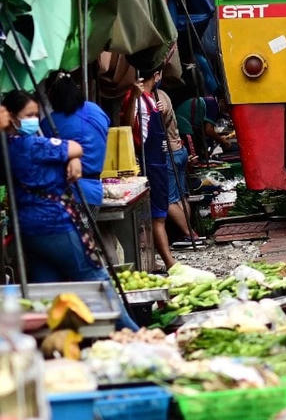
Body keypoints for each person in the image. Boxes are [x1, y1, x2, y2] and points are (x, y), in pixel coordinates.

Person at [3, 91, 138, 331]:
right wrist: (73, 158)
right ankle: (132, 332)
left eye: (36, 114)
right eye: (28, 115)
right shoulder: (31, 145)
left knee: (48, 291)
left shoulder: (8, 148)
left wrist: (71, 159)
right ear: (12, 118)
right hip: (54, 223)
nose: (34, 120)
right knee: (96, 278)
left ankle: (60, 343)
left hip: (26, 227)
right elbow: (74, 147)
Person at [122, 69, 175, 271]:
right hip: (148, 162)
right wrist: (135, 97)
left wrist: (159, 112)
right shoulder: (135, 97)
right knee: (156, 216)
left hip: (158, 160)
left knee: (158, 214)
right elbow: (127, 127)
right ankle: (169, 261)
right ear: (159, 74)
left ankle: (156, 260)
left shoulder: (150, 99)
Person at [42, 71, 108, 212]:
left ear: (52, 95)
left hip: (68, 193)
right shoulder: (95, 110)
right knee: (87, 234)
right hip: (95, 191)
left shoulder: (49, 123)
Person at [155, 87, 202, 249]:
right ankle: (188, 234)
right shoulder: (163, 93)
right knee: (181, 196)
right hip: (179, 150)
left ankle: (190, 234)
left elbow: (159, 119)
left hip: (169, 153)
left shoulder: (155, 98)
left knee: (169, 200)